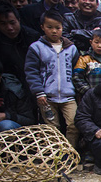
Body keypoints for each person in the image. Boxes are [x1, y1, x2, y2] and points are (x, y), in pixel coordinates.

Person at [25, 9, 79, 147]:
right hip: (46, 96)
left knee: (74, 124)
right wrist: (38, 92)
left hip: (68, 95)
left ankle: (69, 153)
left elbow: (76, 70)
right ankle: (56, 154)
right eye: (50, 27)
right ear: (42, 27)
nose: (54, 31)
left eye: (58, 28)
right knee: (52, 128)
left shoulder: (71, 48)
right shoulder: (36, 48)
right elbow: (31, 72)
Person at [0, 1, 39, 88]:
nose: (9, 28)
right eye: (3, 24)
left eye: (12, 23)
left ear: (18, 20)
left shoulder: (33, 37)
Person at [0, 58, 35, 132]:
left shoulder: (15, 91)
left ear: (1, 75)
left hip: (14, 131)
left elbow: (29, 120)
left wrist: (6, 116)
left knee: (5, 125)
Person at [72, 29, 101, 98]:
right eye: (96, 42)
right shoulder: (84, 58)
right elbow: (77, 77)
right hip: (89, 96)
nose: (99, 46)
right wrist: (88, 92)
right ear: (91, 42)